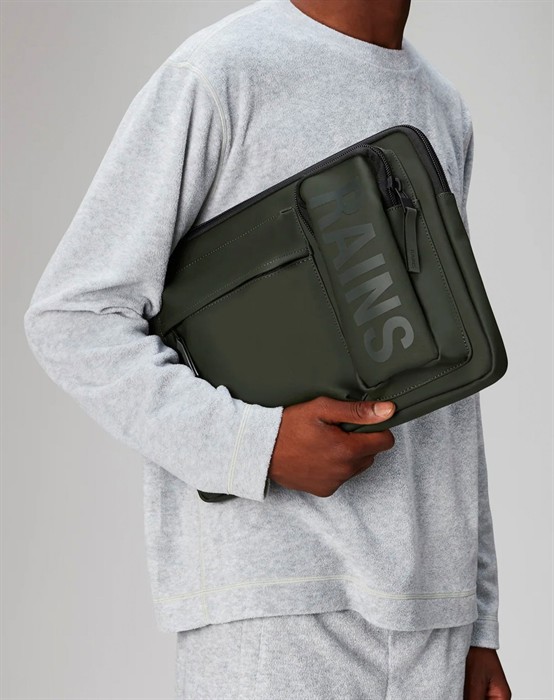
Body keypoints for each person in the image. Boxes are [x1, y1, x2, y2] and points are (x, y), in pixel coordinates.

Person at [23, 0, 512, 697]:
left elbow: (454, 377)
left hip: (432, 621)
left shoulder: (443, 107)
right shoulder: (221, 72)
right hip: (275, 606)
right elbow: (74, 316)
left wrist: (479, 622)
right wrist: (256, 446)